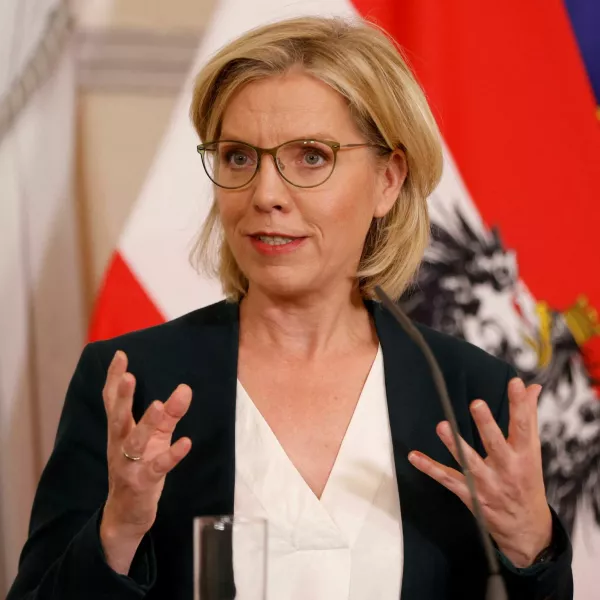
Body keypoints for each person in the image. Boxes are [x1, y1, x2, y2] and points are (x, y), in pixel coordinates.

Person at [7, 15, 572, 600]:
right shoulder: (133, 384)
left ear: (388, 179)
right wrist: (117, 530)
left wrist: (531, 546)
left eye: (309, 156)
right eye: (238, 157)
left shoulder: (470, 396)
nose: (266, 195)